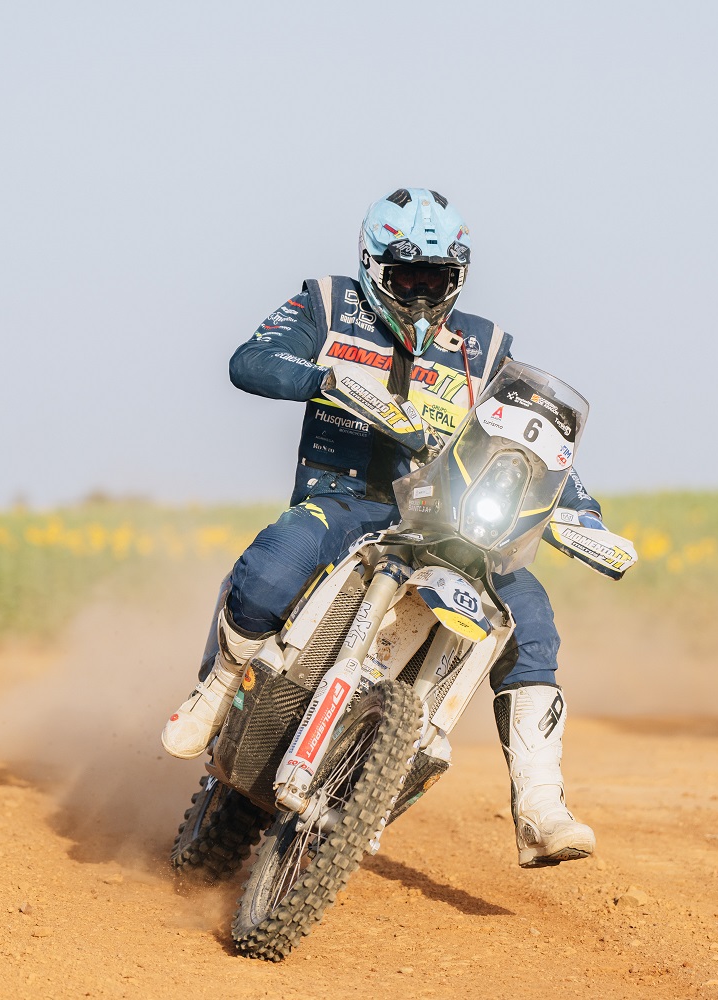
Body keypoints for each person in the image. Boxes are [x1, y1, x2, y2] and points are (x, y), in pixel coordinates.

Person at [160, 187, 603, 867]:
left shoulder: (485, 351)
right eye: (408, 278)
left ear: (458, 278)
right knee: (276, 561)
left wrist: (582, 513)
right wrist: (323, 378)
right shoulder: (328, 304)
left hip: (445, 521)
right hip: (344, 502)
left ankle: (540, 805)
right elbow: (250, 360)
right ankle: (217, 688)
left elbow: (530, 444)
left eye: (438, 281)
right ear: (373, 265)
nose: (423, 296)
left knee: (533, 620)